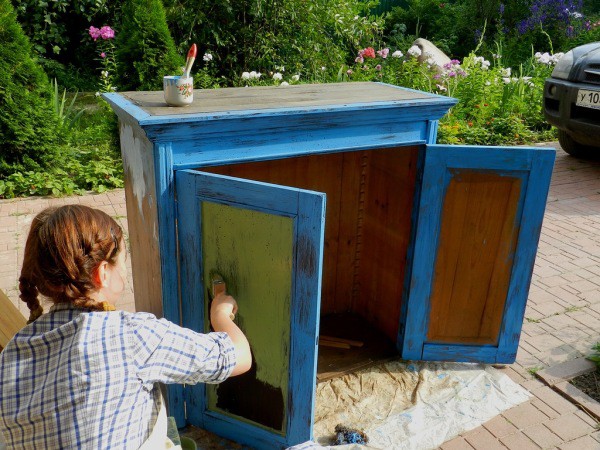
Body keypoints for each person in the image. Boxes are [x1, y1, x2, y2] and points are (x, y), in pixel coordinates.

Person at [0, 204, 252, 449]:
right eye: (123, 259)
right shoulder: (130, 334)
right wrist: (220, 314)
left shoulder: (12, 352)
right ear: (103, 273)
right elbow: (238, 357)